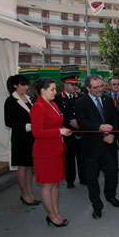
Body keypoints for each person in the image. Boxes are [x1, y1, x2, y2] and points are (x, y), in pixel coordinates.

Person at [75, 75, 119, 219]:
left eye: (101, 86)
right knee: (92, 178)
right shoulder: (81, 102)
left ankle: (110, 196)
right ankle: (97, 205)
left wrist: (113, 135)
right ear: (88, 88)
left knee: (112, 172)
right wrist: (99, 127)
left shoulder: (107, 99)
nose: (100, 89)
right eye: (96, 87)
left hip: (109, 145)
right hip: (91, 148)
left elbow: (116, 119)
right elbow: (82, 122)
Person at [30, 78, 72, 227]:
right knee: (47, 185)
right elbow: (37, 132)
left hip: (56, 148)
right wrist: (59, 131)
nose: (55, 92)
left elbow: (56, 123)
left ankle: (56, 213)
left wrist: (63, 130)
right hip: (45, 152)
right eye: (52, 89)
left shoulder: (52, 104)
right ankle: (51, 215)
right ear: (43, 90)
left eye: (55, 89)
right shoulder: (38, 107)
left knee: (55, 184)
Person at [4, 74, 39, 206]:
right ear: (15, 85)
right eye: (23, 84)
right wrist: (29, 126)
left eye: (26, 84)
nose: (26, 87)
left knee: (29, 167)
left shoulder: (29, 99)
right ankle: (24, 194)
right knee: (22, 167)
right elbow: (9, 122)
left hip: (31, 138)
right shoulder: (10, 101)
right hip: (20, 138)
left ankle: (30, 193)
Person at [53, 75, 85, 188]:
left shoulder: (81, 97)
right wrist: (68, 124)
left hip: (80, 131)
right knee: (69, 157)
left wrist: (79, 122)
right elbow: (57, 115)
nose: (75, 87)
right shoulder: (57, 98)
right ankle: (70, 180)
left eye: (76, 84)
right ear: (65, 84)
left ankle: (83, 178)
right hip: (66, 132)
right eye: (72, 84)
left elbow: (85, 113)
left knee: (82, 156)